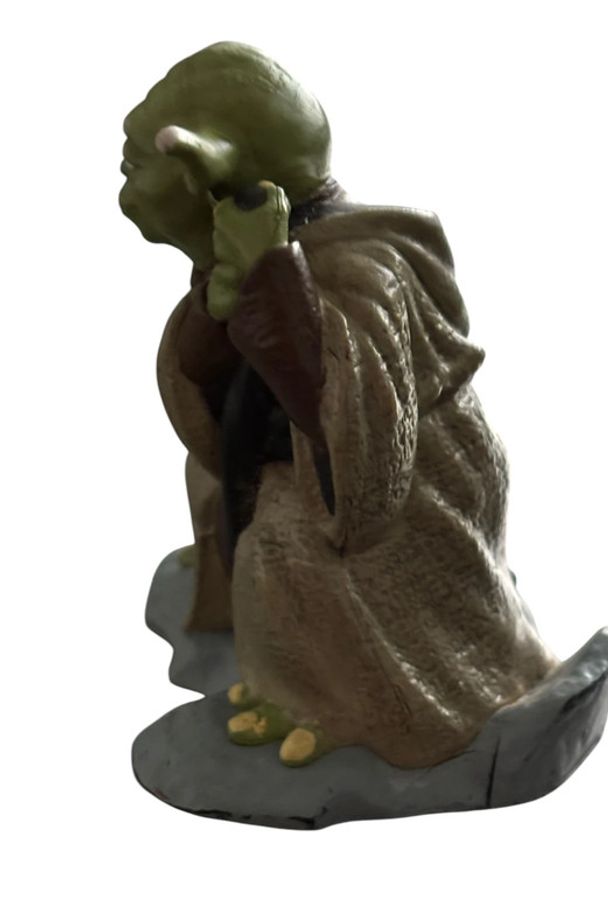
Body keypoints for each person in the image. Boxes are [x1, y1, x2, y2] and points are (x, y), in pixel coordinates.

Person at [120, 41, 557, 768]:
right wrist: (221, 302)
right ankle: (281, 665)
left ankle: (354, 711)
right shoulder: (254, 255)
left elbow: (364, 448)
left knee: (282, 544)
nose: (128, 172)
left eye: (143, 161)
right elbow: (204, 381)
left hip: (406, 501)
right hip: (321, 476)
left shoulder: (365, 267)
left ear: (206, 172)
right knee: (237, 507)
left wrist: (270, 280)